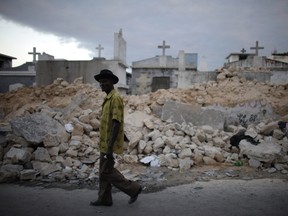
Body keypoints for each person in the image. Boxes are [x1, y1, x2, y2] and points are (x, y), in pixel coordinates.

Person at [90, 69, 142, 207]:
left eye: (105, 81)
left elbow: (116, 122)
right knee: (103, 172)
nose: (102, 84)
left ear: (112, 82)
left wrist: (109, 147)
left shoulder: (115, 98)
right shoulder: (107, 98)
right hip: (104, 142)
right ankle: (104, 199)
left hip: (109, 143)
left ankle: (133, 189)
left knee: (107, 171)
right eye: (100, 82)